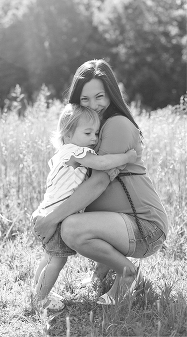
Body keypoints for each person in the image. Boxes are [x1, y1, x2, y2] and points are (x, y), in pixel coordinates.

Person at [34, 59, 169, 305]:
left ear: (111, 95)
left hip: (145, 226)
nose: (93, 105)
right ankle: (98, 274)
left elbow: (98, 183)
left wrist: (51, 218)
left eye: (99, 97)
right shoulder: (88, 129)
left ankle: (126, 274)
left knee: (72, 228)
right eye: (84, 100)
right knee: (72, 226)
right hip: (125, 224)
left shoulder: (116, 124)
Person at [31, 104, 138, 311]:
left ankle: (37, 289)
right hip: (55, 216)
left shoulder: (61, 154)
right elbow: (102, 163)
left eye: (96, 133)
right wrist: (126, 158)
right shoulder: (76, 152)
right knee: (57, 261)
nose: (94, 138)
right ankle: (41, 298)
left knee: (49, 257)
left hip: (45, 212)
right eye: (87, 132)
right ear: (68, 134)